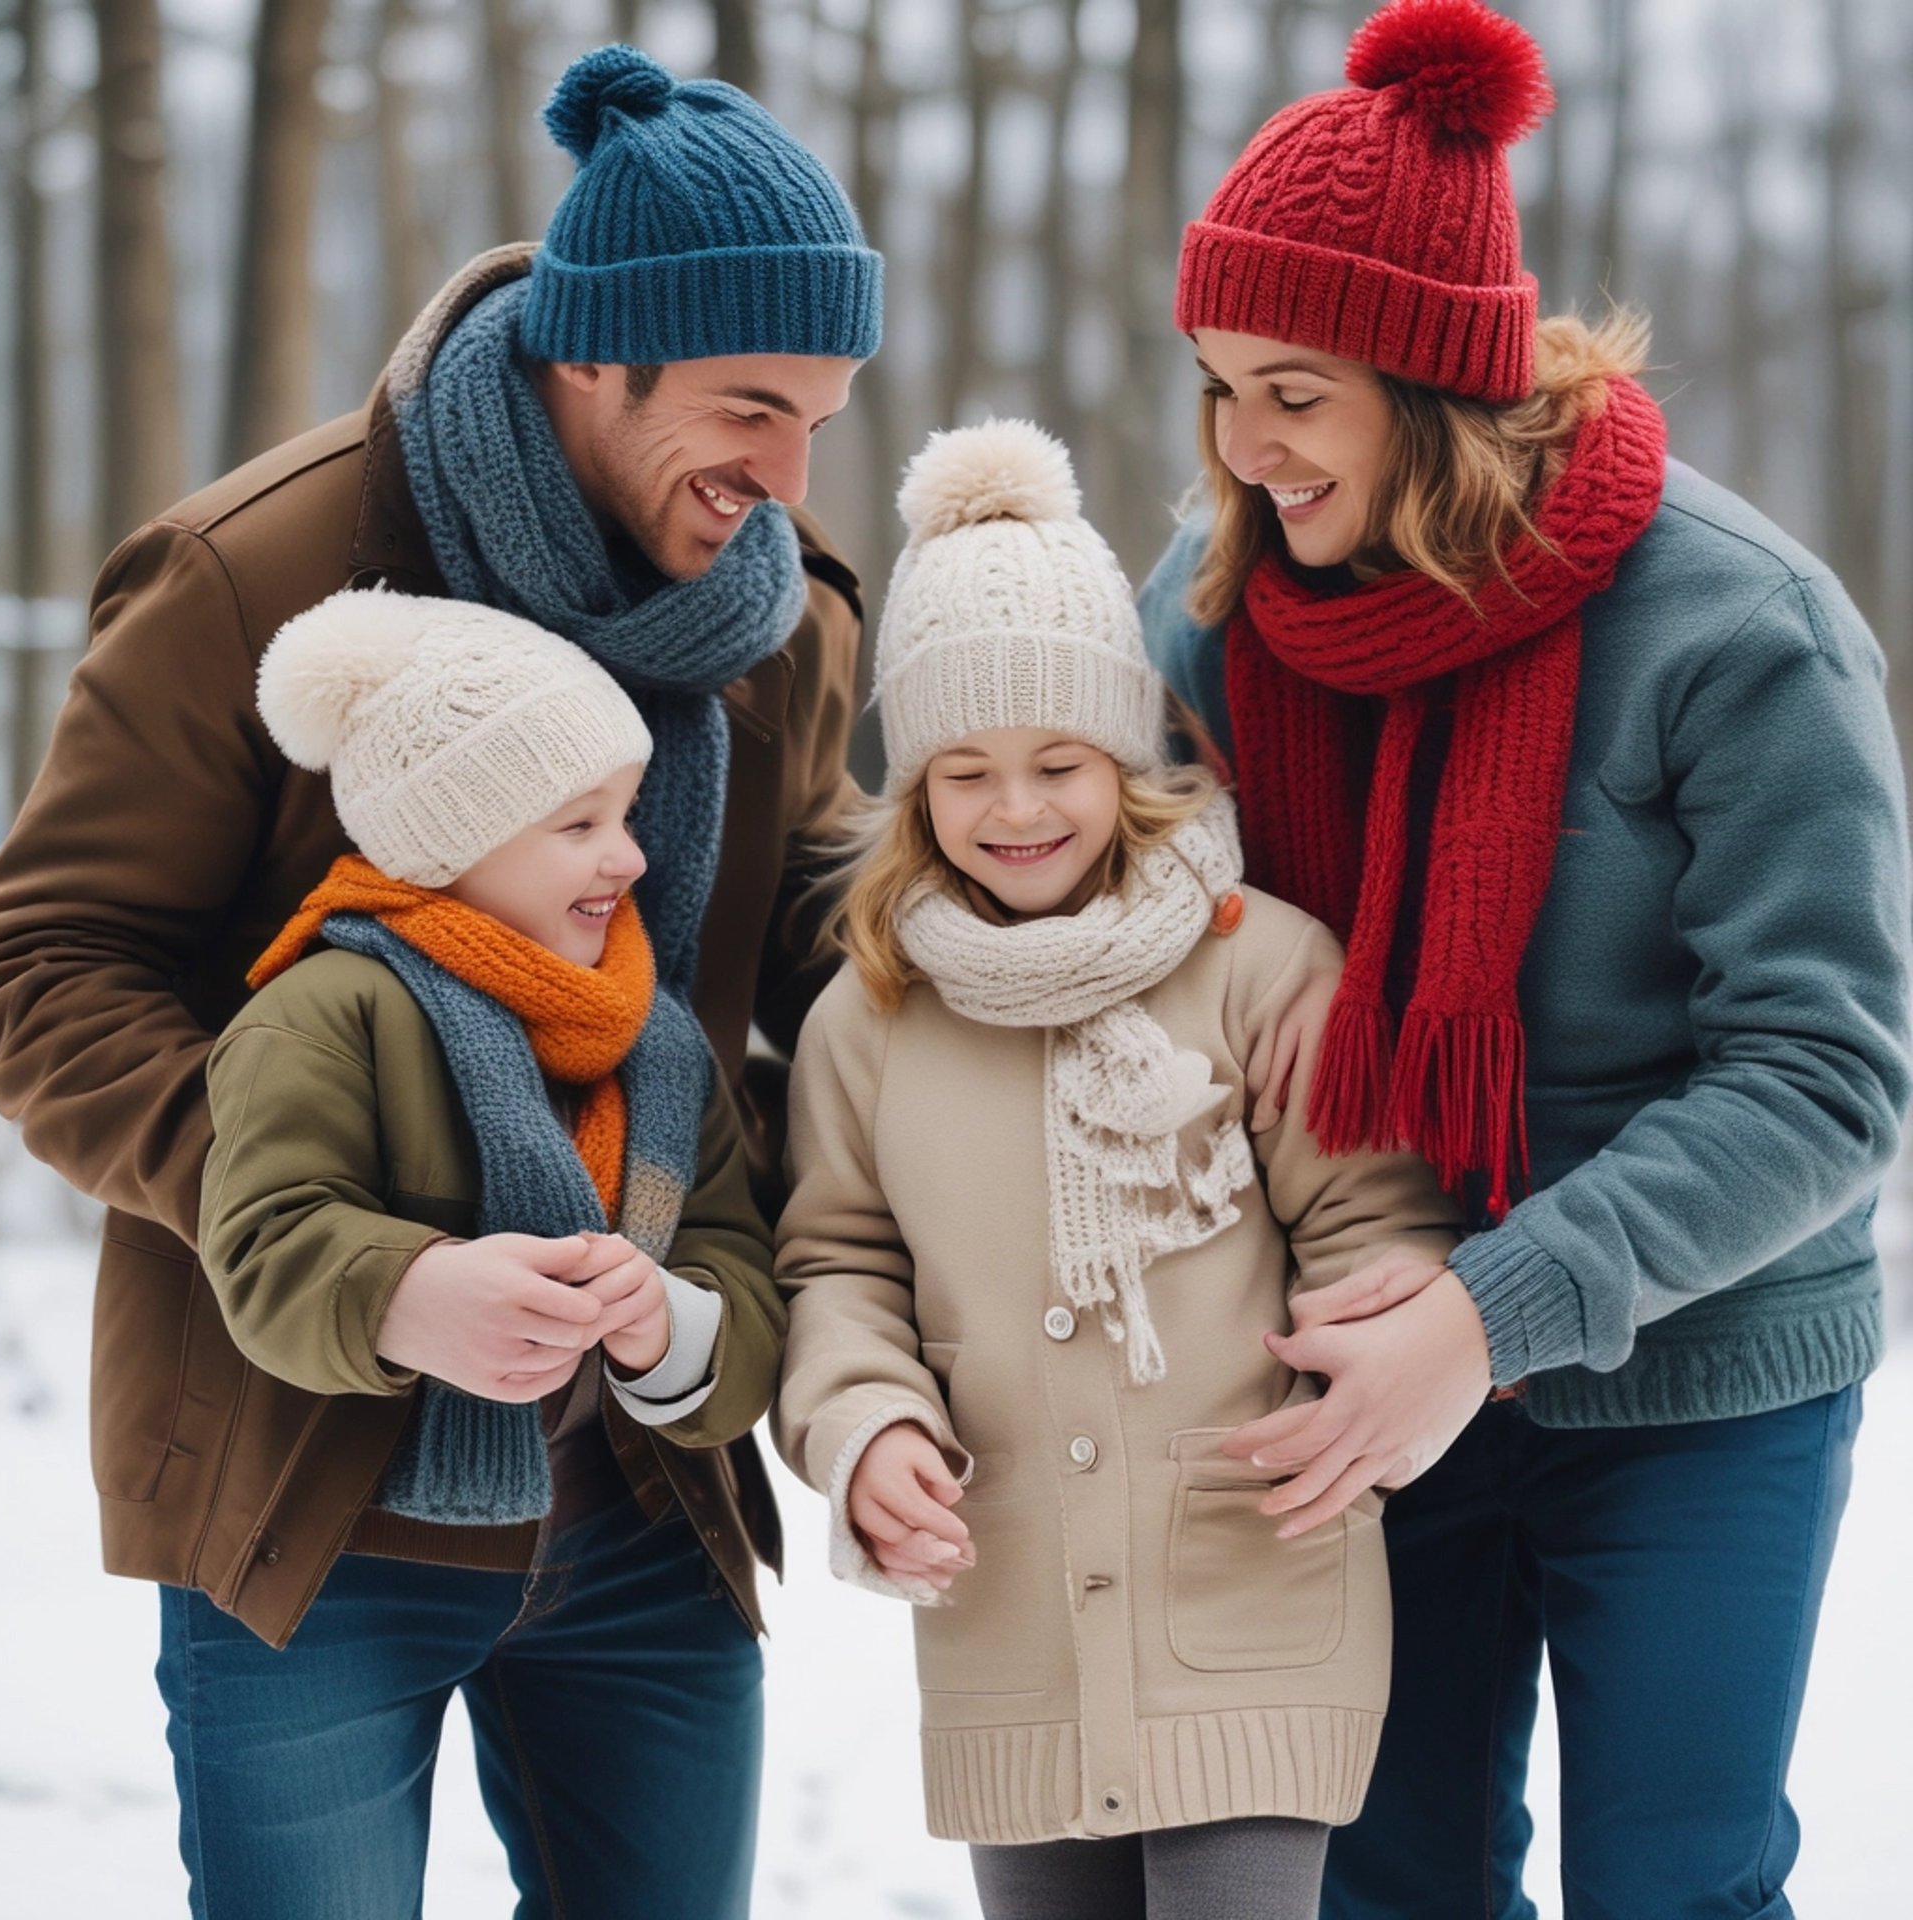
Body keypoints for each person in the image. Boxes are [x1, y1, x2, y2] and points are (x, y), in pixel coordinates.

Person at [0, 40, 879, 1920]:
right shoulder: (262, 577)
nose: (788, 478)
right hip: (302, 1472)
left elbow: (816, 905)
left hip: (650, 1480)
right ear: (593, 360)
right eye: (747, 407)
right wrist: (351, 1231)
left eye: (822, 414)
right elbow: (42, 963)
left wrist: (1018, 914)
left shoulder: (774, 619)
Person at [1139, 2, 1912, 1915]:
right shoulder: (1211, 617)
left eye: (1296, 392)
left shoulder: (1742, 633)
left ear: (1432, 376)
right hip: (1348, 1333)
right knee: (1389, 1882)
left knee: (1675, 1882)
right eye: (1218, 386)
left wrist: (1491, 1313)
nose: (1246, 448)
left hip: (1700, 1366)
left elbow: (1827, 1074)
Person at [773, 419, 1460, 1920]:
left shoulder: (1261, 968)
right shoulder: (870, 1016)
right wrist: (865, 1425)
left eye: (1057, 763)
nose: (1016, 812)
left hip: (1256, 1585)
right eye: (966, 773)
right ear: (915, 789)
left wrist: (1363, 1390)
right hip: (1007, 1614)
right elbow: (837, 1267)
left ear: (1124, 758)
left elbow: (1368, 1222)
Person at [187, 588, 783, 1912]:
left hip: (632, 1550)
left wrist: (665, 1323)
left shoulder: (655, 1034)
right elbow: (265, 1240)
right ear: (450, 840)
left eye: (626, 815)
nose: (629, 857)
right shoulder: (325, 1012)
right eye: (578, 825)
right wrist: (408, 1290)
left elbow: (740, 1271)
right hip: (346, 1550)